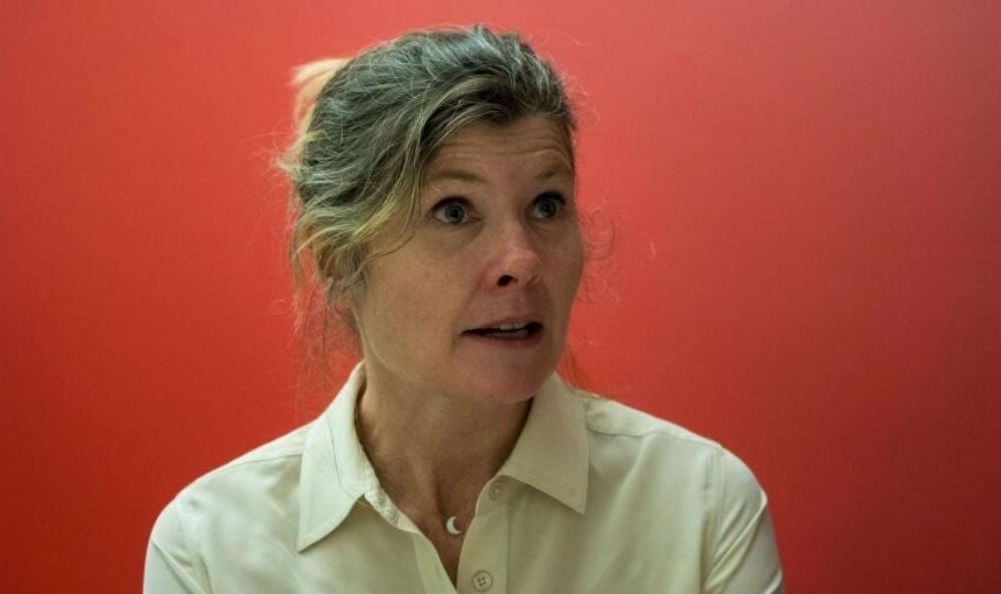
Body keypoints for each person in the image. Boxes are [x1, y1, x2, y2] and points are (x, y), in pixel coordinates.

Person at [144, 25, 784, 594]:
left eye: (546, 206)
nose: (522, 260)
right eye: (453, 211)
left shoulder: (699, 507)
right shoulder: (211, 549)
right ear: (337, 258)